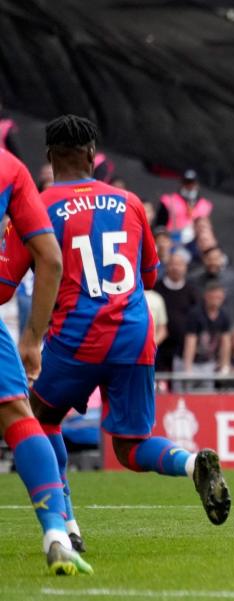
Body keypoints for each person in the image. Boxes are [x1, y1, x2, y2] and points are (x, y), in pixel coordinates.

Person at [25, 116, 230, 558]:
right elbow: (152, 275)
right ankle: (193, 464)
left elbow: (11, 278)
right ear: (92, 154)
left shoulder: (38, 206)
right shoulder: (130, 201)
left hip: (78, 334)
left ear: (48, 157)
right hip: (134, 335)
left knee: (38, 418)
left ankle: (65, 525)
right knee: (130, 447)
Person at [0, 138, 88, 574]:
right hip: (108, 329)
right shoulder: (10, 169)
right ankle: (57, 530)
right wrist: (32, 338)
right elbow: (49, 260)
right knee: (19, 415)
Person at [155, 249, 200, 374]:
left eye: (179, 264)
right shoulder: (156, 289)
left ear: (185, 267)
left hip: (183, 348)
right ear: (167, 266)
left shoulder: (192, 291)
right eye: (172, 264)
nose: (176, 268)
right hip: (159, 348)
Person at [182, 280, 232, 380]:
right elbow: (190, 341)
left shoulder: (224, 316)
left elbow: (225, 343)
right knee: (184, 393)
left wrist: (225, 366)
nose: (215, 300)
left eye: (218, 297)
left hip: (208, 362)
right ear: (206, 296)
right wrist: (187, 368)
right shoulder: (195, 314)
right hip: (190, 360)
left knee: (207, 393)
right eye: (212, 297)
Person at [156, 169, 211, 245]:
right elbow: (160, 224)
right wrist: (162, 237)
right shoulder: (169, 200)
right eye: (187, 182)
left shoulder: (205, 205)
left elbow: (206, 228)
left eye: (192, 182)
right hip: (172, 241)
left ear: (197, 183)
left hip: (196, 244)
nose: (189, 185)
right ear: (182, 182)